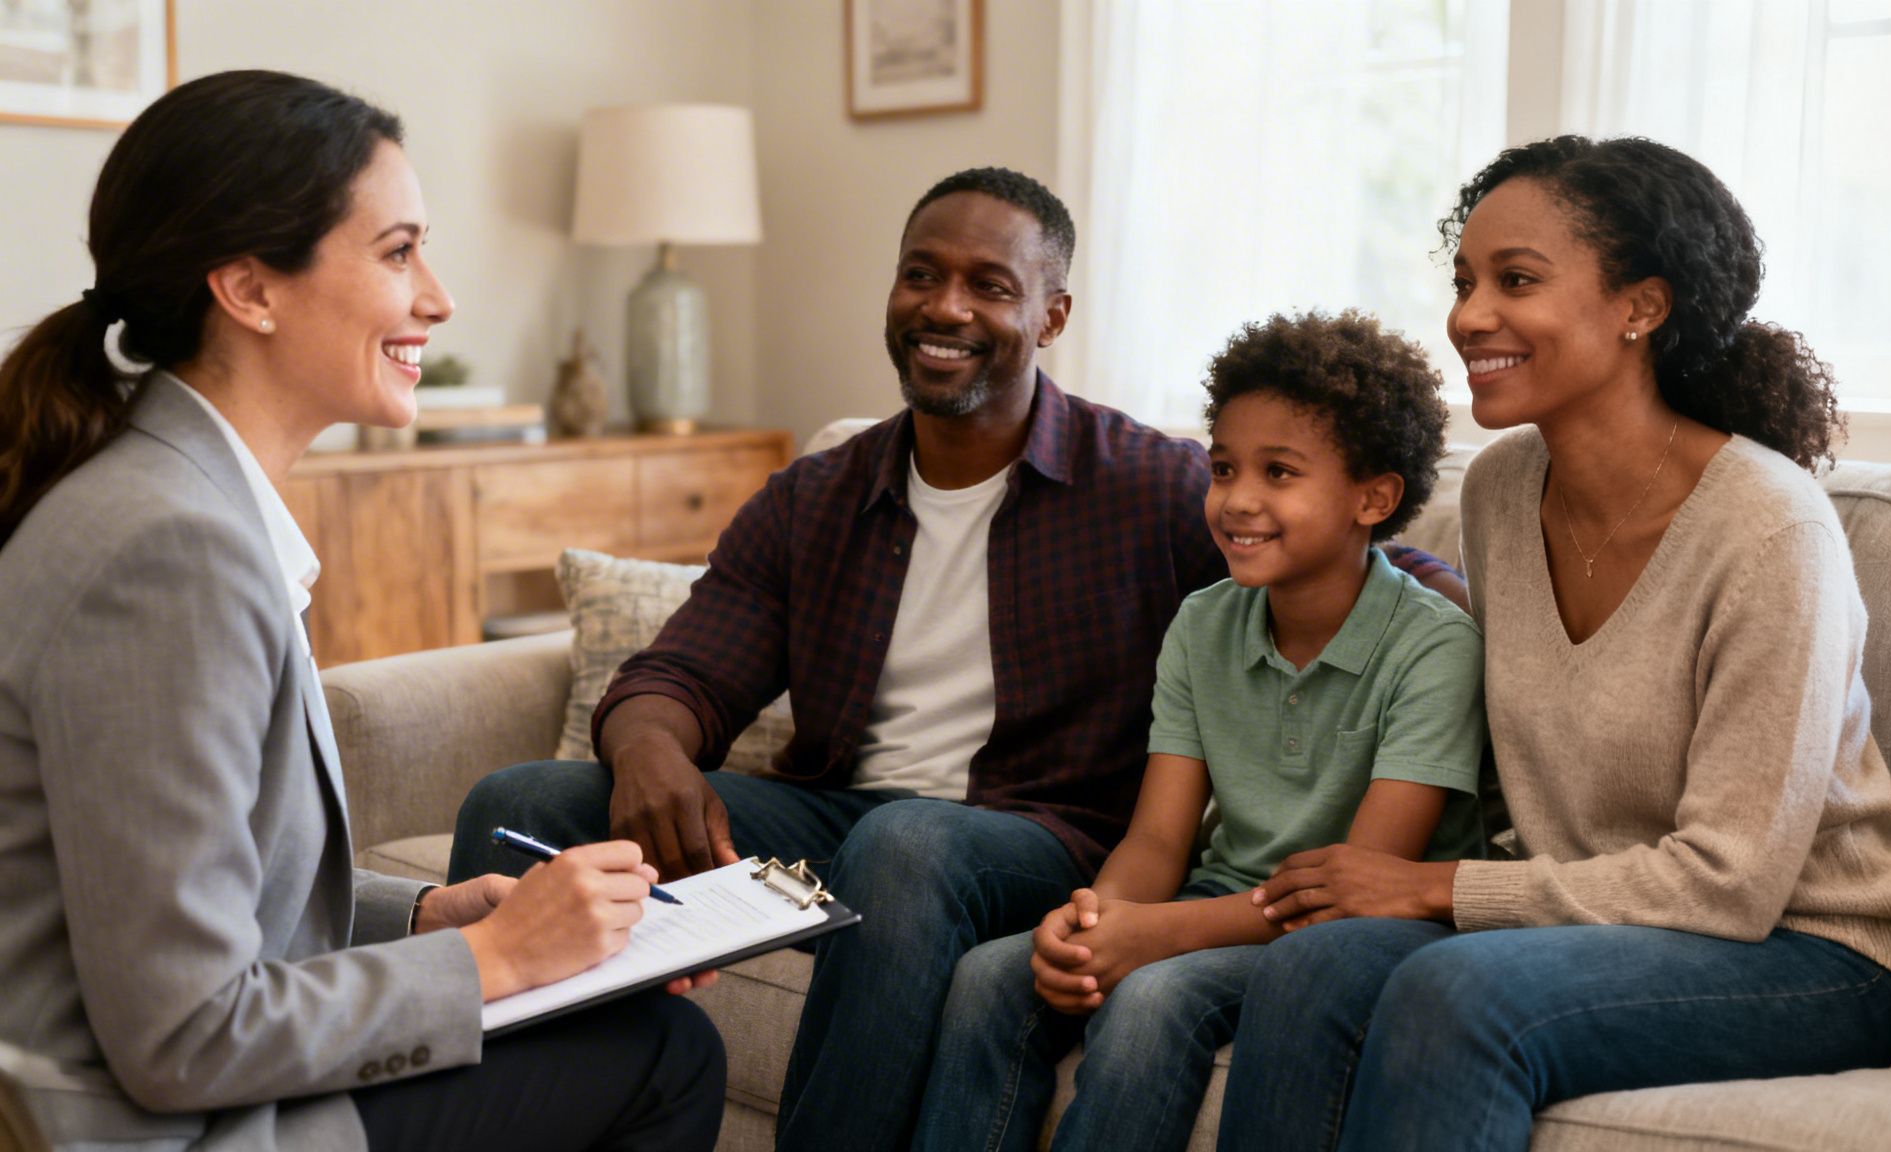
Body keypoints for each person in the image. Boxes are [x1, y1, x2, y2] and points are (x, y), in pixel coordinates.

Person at [451, 166, 1467, 1149]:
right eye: (920, 274)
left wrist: (1479, 633)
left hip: (1040, 833)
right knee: (525, 804)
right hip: (841, 814)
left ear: (1051, 316)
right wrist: (649, 754)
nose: (944, 307)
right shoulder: (817, 499)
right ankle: (506, 1122)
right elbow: (681, 674)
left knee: (908, 846)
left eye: (988, 285)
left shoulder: (1146, 488)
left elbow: (1351, 555)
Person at [0, 71, 723, 1152]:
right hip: (154, 1128)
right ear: (250, 289)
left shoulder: (168, 498)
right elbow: (182, 1034)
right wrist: (496, 960)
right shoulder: (166, 553)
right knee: (664, 1059)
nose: (437, 297)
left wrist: (426, 919)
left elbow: (192, 902)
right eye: (397, 252)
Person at [1215, 135, 1891, 1151]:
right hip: (1588, 926)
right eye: (1463, 281)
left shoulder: (1767, 528)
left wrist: (1436, 888)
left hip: (1805, 952)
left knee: (1455, 995)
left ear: (1639, 306)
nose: (1468, 317)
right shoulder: (1499, 491)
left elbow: (1729, 882)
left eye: (1515, 280)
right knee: (1310, 965)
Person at [912, 310, 1487, 1152]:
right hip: (1221, 902)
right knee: (990, 975)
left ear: (1375, 497)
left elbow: (1357, 887)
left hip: (1356, 932)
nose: (1237, 500)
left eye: (1279, 472)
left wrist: (1156, 938)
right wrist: (1094, 924)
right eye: (1223, 469)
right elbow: (1155, 840)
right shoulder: (1202, 624)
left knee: (1154, 998)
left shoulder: (1436, 647)